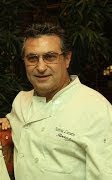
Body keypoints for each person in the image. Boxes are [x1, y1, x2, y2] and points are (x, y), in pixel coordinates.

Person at [6, 23, 112, 180]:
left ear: (67, 59)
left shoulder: (96, 108)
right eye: (32, 58)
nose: (41, 67)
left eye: (50, 57)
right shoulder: (21, 101)